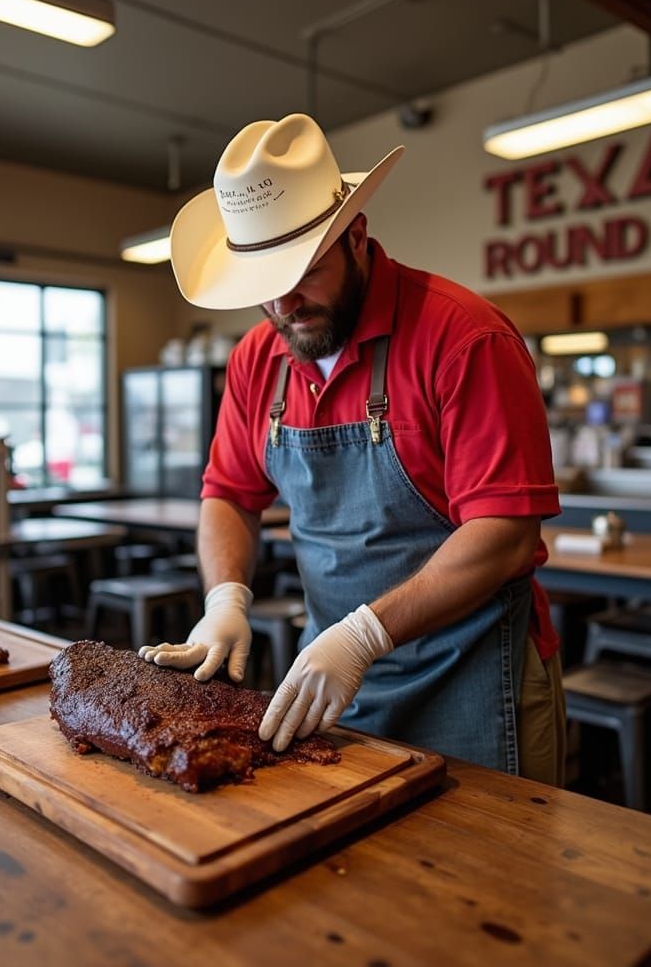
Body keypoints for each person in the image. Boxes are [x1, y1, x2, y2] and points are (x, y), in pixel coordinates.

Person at [139, 112, 565, 784]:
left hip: (476, 678)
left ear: (356, 237)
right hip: (333, 680)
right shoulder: (259, 358)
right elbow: (229, 493)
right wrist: (226, 597)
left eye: (303, 272)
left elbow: (506, 532)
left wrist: (365, 634)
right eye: (262, 288)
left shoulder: (465, 340)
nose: (284, 304)